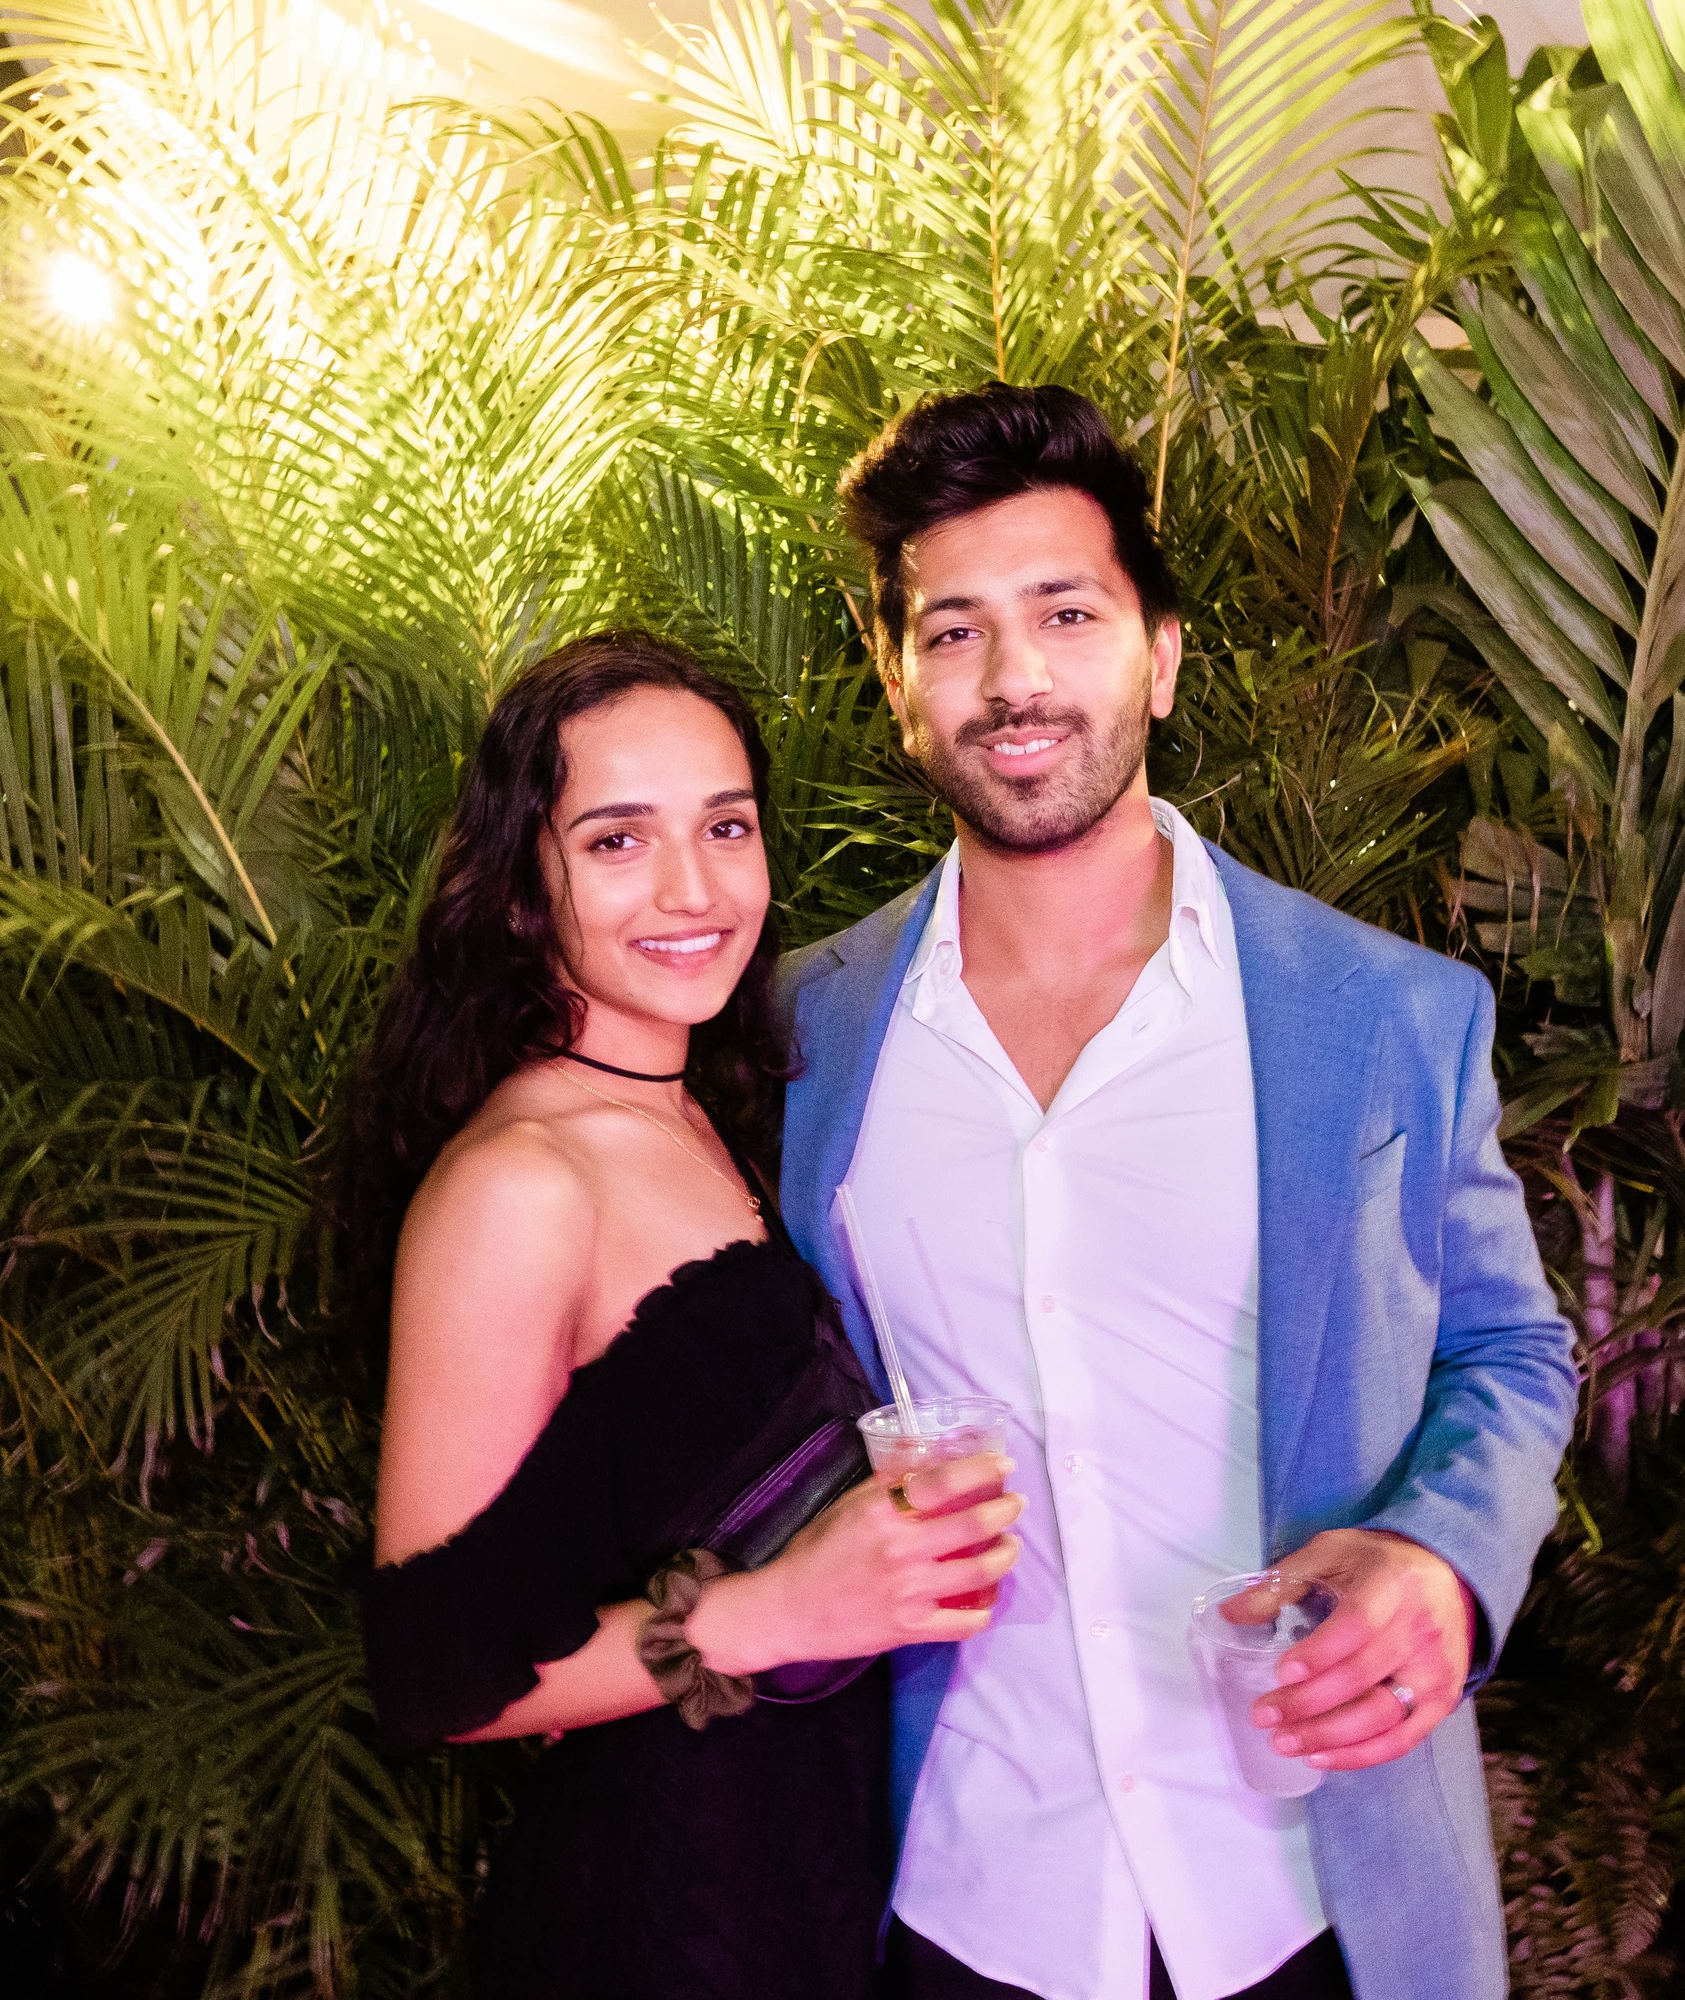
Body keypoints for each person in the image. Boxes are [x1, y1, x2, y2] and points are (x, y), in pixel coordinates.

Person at [781, 386, 1579, 2000]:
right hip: (959, 1897)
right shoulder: (799, 1039)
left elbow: (1513, 1351)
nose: (1014, 679)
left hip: (1313, 1891)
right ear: (896, 680)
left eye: (1066, 614)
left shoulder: (1388, 1018)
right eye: (953, 631)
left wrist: (1441, 1558)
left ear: (1160, 655)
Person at [350, 633, 1026, 1999]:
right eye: (617, 840)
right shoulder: (523, 1185)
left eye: (726, 826)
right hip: (656, 1921)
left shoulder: (701, 1108)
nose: (693, 889)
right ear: (521, 888)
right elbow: (436, 1676)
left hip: (801, 1894)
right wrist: (777, 1610)